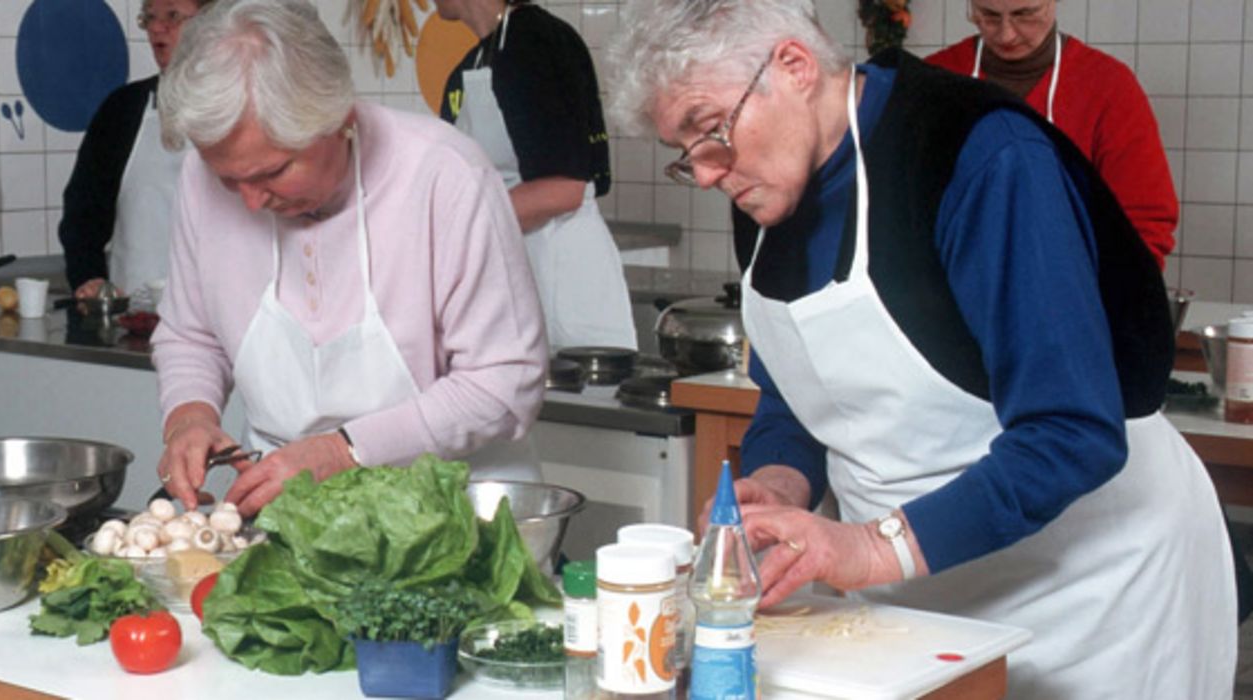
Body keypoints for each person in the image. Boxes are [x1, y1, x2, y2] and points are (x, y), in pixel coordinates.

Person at [608, 0, 1234, 697]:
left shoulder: (978, 156)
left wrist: (870, 546)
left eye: (709, 131)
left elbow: (1072, 431)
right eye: (683, 153)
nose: (703, 173)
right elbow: (797, 390)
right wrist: (780, 484)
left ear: (792, 66)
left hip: (1096, 593)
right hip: (919, 603)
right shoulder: (766, 185)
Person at [151, 0, 547, 516]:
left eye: (272, 173)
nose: (250, 201)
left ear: (336, 117)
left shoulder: (443, 174)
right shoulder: (200, 179)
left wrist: (344, 450)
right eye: (231, 181)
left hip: (451, 513)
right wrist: (189, 417)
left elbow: (503, 382)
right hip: (289, 518)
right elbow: (191, 333)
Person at [435, 0, 636, 350]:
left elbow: (564, 189)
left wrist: (455, 226)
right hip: (513, 268)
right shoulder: (475, 63)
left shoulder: (535, 42)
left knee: (573, 401)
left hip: (562, 276)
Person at [927, 0, 1177, 269]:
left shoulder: (1109, 86)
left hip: (1072, 289)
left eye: (1025, 15)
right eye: (988, 16)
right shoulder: (932, 80)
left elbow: (1145, 220)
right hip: (949, 290)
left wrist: (1119, 297)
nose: (1006, 34)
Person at [58, 0, 213, 300]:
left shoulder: (245, 102)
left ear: (212, 22)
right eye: (149, 18)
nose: (157, 27)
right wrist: (89, 278)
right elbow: (83, 214)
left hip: (224, 323)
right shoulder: (122, 109)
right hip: (135, 320)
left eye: (173, 16)